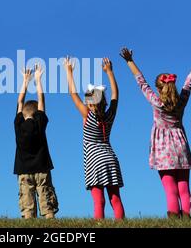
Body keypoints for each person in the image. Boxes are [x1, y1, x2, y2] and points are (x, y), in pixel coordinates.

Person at [120, 47, 191, 219]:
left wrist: (129, 61)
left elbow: (141, 82)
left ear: (158, 89)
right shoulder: (181, 102)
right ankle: (188, 220)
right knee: (184, 188)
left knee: (170, 189)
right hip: (181, 148)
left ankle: (173, 221)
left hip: (163, 152)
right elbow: (189, 83)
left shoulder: (156, 103)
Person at [63, 56, 125, 219]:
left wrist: (69, 71)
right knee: (115, 199)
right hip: (111, 159)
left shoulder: (87, 115)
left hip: (94, 161)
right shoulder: (110, 115)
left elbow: (72, 93)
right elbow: (115, 94)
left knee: (99, 201)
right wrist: (110, 72)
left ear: (89, 102)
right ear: (103, 102)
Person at [14, 63, 59, 219]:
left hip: (23, 171)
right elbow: (41, 100)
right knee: (47, 204)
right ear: (37, 112)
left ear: (23, 113)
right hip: (42, 169)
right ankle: (50, 220)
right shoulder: (40, 123)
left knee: (27, 206)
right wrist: (38, 79)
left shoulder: (18, 125)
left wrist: (25, 81)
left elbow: (20, 102)